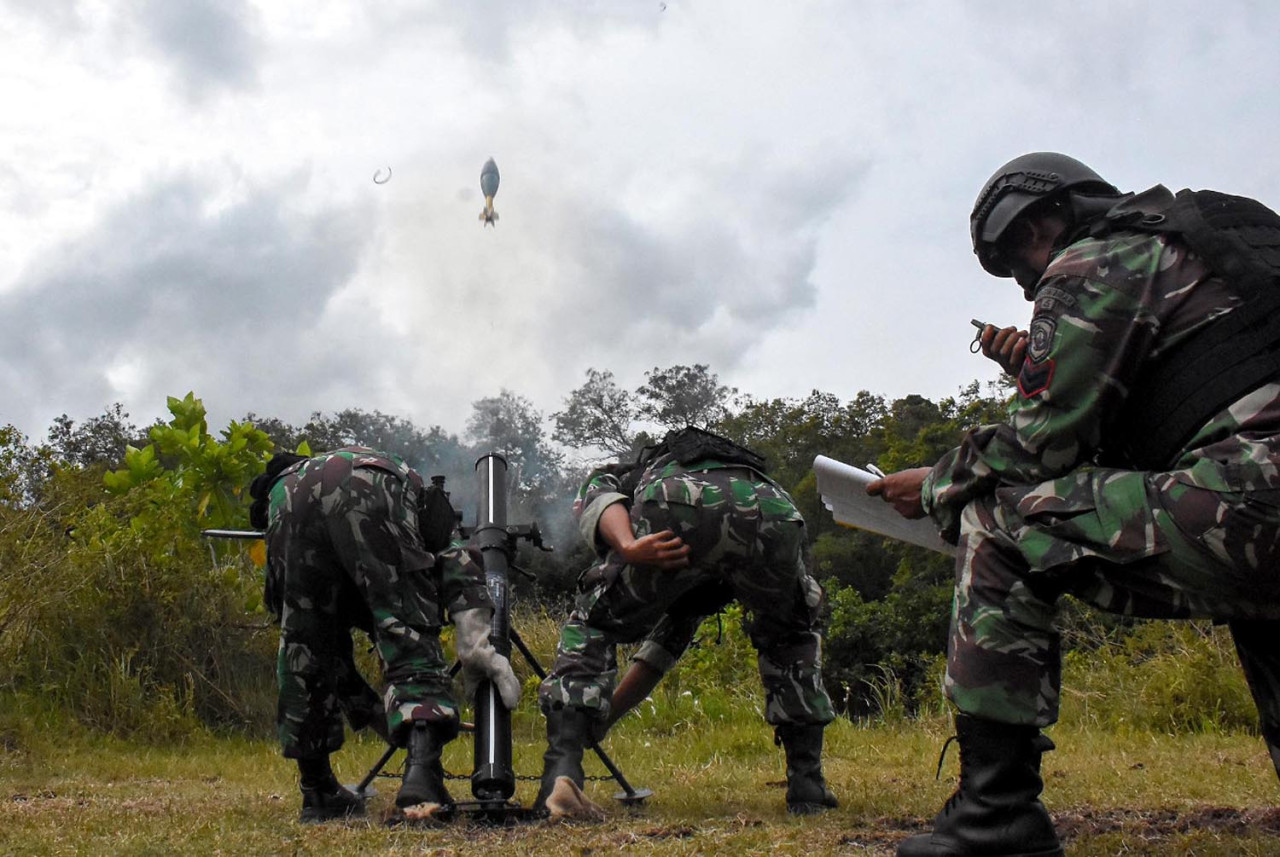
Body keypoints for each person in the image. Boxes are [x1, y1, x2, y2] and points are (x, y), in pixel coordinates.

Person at [868, 152, 1280, 857]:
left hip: (1255, 500)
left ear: (1045, 217)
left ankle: (995, 816)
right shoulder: (1222, 240)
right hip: (1253, 494)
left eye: (1019, 260)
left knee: (1000, 515)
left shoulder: (1099, 256)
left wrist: (934, 481)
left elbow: (1038, 448)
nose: (1028, 285)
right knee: (1262, 600)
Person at [534, 427, 838, 818]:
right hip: (774, 510)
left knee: (594, 625)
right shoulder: (733, 481)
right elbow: (659, 654)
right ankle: (808, 787)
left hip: (676, 505)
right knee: (791, 638)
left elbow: (599, 494)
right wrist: (605, 720)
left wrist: (627, 546)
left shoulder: (631, 472)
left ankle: (561, 777)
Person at [248, 447, 521, 823]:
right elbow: (454, 557)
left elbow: (319, 653)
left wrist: (383, 716)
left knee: (302, 646)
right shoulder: (417, 504)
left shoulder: (288, 490)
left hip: (288, 494)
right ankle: (421, 785)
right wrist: (476, 645)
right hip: (373, 481)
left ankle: (318, 793)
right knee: (407, 629)